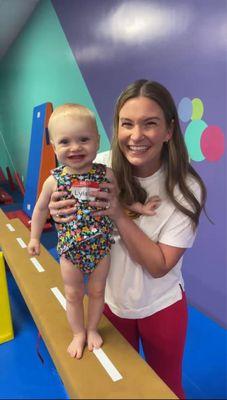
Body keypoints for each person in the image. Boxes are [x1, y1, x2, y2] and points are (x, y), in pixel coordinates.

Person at [48, 81, 207, 399]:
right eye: (127, 124)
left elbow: (160, 265)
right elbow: (64, 198)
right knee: (117, 389)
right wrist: (56, 208)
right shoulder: (99, 165)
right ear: (116, 127)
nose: (136, 136)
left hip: (160, 307)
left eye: (150, 123)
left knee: (166, 389)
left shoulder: (186, 189)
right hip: (109, 303)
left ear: (168, 131)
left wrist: (119, 213)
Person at [27, 103, 160, 360]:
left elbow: (119, 200)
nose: (75, 147)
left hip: (100, 247)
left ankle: (92, 328)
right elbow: (41, 210)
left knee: (98, 292)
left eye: (83, 139)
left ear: (97, 141)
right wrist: (34, 238)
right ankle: (78, 333)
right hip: (70, 251)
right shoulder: (53, 180)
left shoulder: (106, 174)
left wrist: (141, 208)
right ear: (54, 147)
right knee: (74, 294)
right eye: (65, 142)